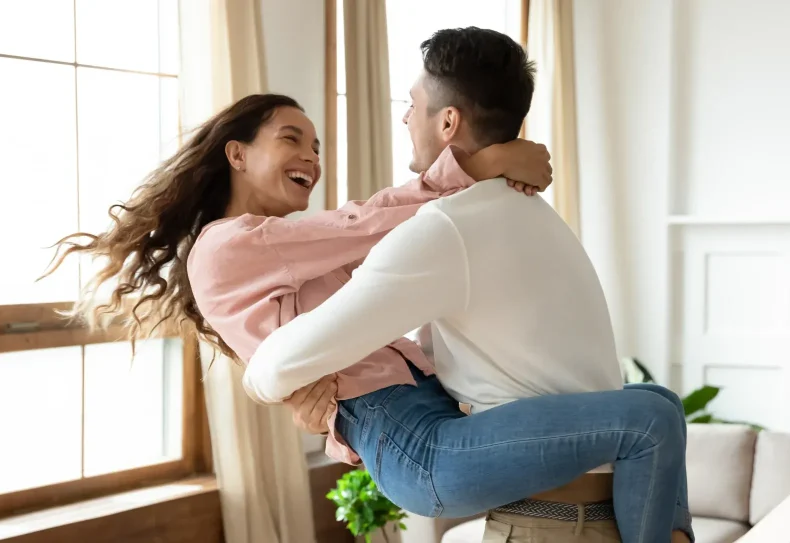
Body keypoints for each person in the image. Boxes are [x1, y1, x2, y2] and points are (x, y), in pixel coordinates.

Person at [44, 34, 689, 543]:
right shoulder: (233, 243)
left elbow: (374, 257)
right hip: (415, 440)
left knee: (654, 398)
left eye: (316, 143)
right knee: (653, 416)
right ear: (235, 154)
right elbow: (371, 224)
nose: (312, 157)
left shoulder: (288, 252)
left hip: (421, 418)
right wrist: (478, 163)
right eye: (291, 138)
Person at [235, 28, 693, 543]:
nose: (405, 117)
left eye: (413, 104)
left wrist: (280, 386)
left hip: (567, 521)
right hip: (548, 522)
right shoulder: (531, 213)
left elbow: (274, 366)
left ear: (449, 121)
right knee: (654, 411)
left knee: (655, 406)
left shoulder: (445, 230)